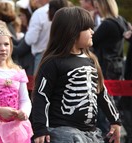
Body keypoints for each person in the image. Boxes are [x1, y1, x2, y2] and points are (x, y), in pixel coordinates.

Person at [32, 7, 121, 143]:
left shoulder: (91, 60)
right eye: (87, 28)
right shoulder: (53, 62)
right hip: (63, 133)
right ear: (72, 32)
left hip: (91, 133)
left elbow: (102, 92)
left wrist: (115, 120)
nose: (92, 32)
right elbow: (41, 96)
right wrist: (40, 128)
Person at [92, 0, 128, 137]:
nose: (96, 10)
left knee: (103, 109)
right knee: (113, 105)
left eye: (97, 7)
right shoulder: (121, 21)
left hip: (105, 67)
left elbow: (92, 40)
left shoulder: (107, 24)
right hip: (117, 66)